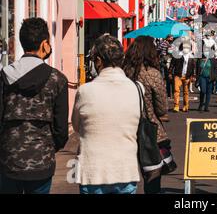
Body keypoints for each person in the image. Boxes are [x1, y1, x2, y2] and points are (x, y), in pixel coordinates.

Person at [0, 18, 69, 194]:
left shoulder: (5, 76)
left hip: (9, 159)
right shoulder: (57, 80)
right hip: (41, 161)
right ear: (45, 44)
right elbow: (61, 130)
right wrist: (49, 147)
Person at [72, 35, 140, 194]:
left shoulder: (85, 91)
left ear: (98, 61)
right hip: (125, 169)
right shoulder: (136, 89)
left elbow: (76, 126)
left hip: (92, 171)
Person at [122, 36, 177, 194]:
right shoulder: (152, 73)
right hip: (150, 129)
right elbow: (161, 107)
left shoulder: (124, 71)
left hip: (126, 127)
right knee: (152, 174)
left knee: (126, 175)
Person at [169, 44, 196, 113]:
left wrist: (193, 76)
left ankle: (186, 106)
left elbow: (193, 67)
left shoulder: (191, 56)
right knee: (176, 90)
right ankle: (176, 106)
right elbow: (172, 65)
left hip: (187, 75)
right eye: (184, 47)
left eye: (187, 47)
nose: (186, 48)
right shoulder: (177, 55)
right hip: (178, 75)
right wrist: (170, 73)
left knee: (186, 91)